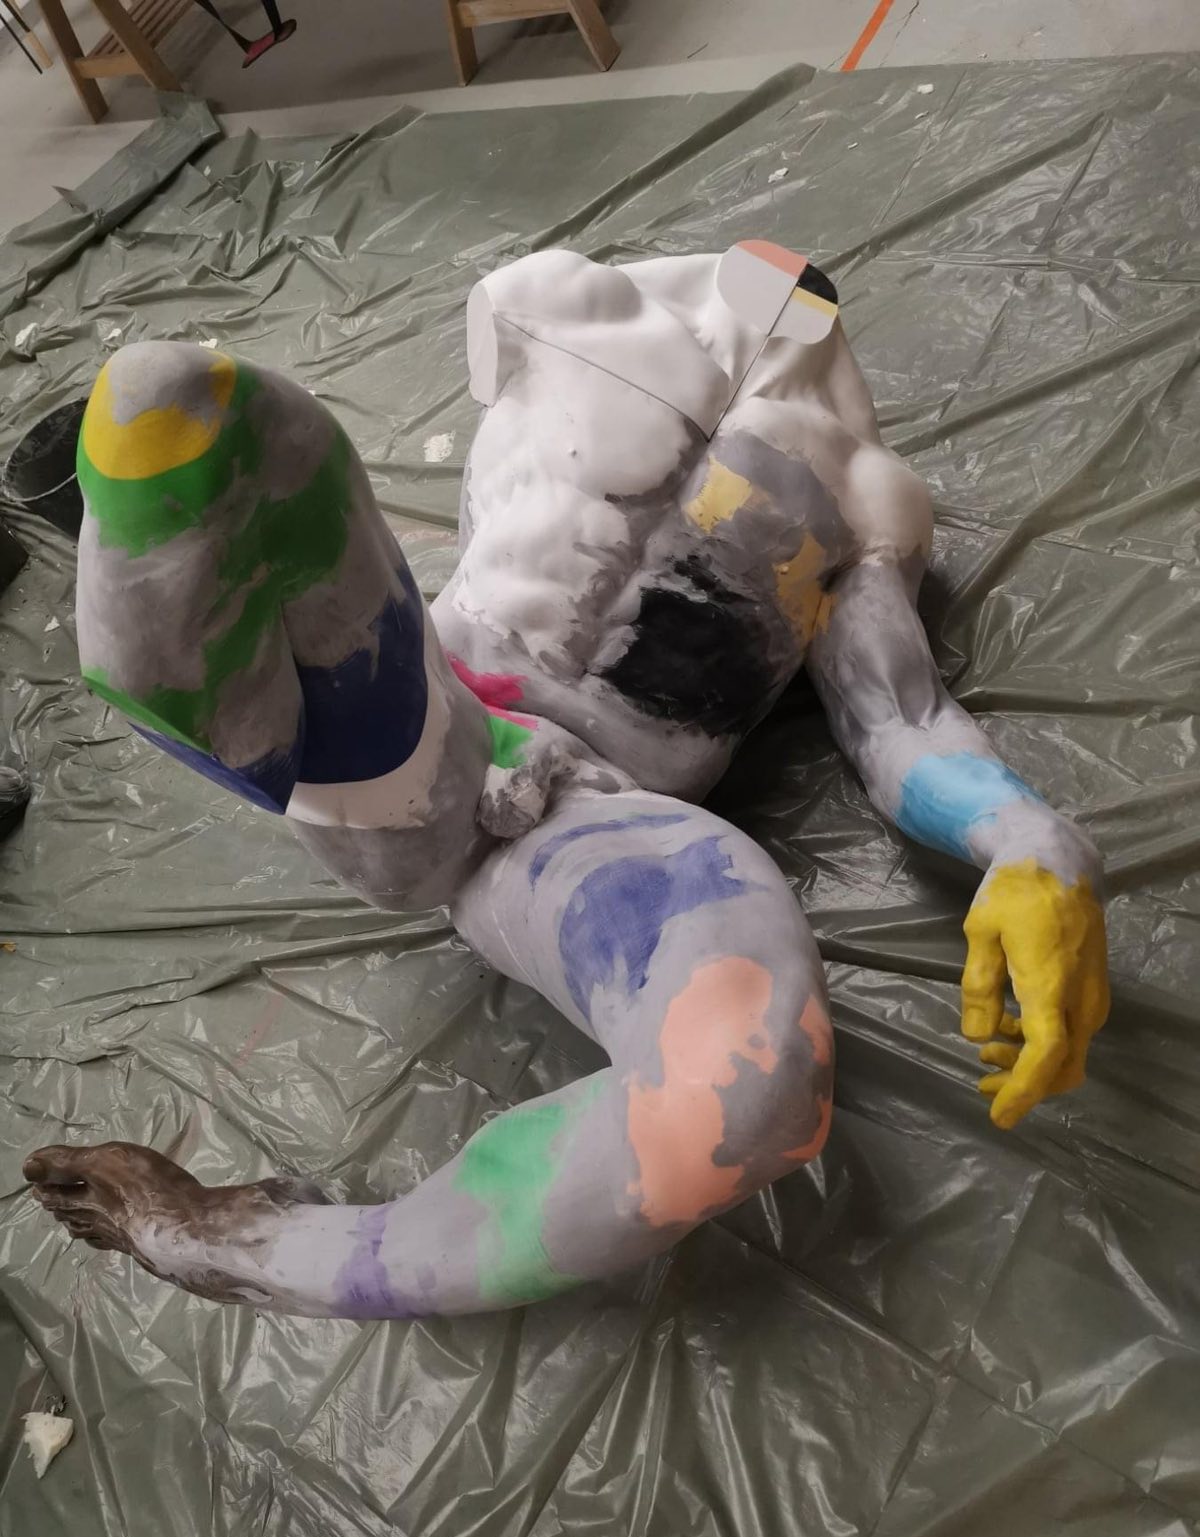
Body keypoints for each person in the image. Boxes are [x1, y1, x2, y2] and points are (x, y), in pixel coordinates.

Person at [24, 243, 1109, 1319]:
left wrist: (1030, 843)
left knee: (747, 1093)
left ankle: (236, 1242)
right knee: (177, 404)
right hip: (436, 695)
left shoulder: (872, 507)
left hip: (595, 816)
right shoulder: (549, 303)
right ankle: (251, 682)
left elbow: (899, 719)